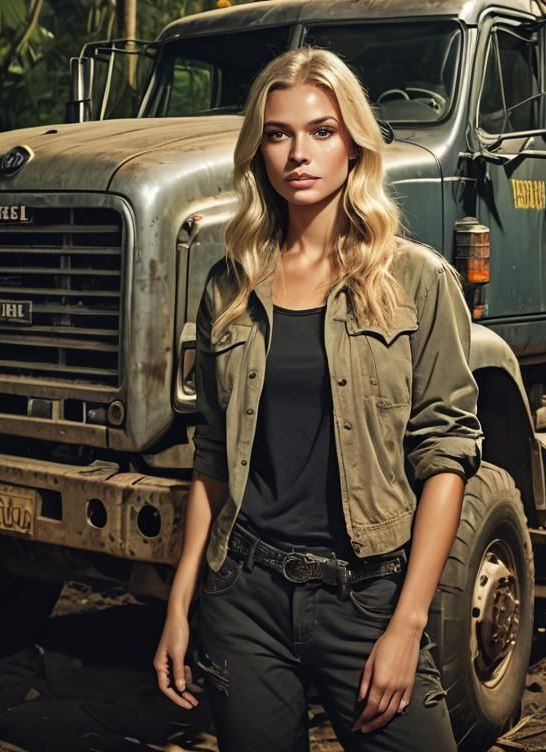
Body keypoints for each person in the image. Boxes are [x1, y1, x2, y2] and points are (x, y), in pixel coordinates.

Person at [153, 47, 483, 751]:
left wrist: (407, 625)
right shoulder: (229, 285)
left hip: (367, 596)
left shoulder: (418, 281)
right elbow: (213, 454)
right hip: (244, 595)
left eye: (321, 131)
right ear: (259, 150)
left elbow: (446, 458)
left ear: (354, 144)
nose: (298, 153)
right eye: (278, 134)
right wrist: (182, 600)